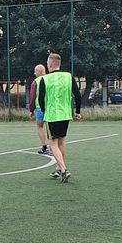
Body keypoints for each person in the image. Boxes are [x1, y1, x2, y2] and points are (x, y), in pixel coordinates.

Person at [37, 53, 81, 183]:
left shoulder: (45, 79)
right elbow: (77, 95)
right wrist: (78, 111)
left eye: (47, 63)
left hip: (52, 115)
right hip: (65, 114)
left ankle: (64, 169)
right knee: (61, 141)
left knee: (53, 144)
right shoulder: (68, 76)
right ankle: (58, 168)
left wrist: (44, 111)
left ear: (50, 64)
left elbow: (41, 98)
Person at [29, 64, 49, 154]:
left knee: (40, 127)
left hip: (40, 107)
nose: (34, 73)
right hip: (51, 107)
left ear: (39, 72)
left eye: (35, 71)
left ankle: (44, 147)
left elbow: (32, 96)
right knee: (51, 127)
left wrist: (31, 109)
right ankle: (55, 147)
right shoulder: (50, 80)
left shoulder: (35, 82)